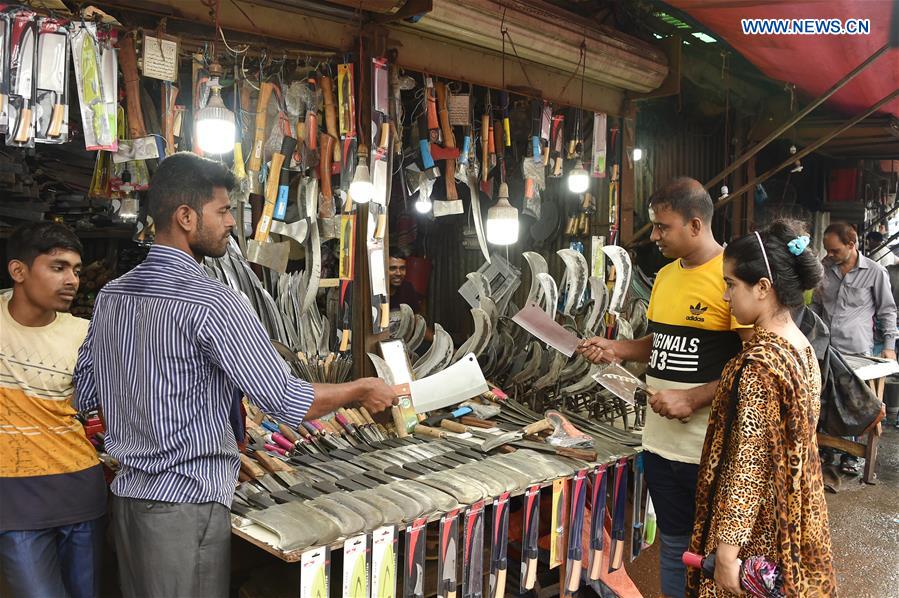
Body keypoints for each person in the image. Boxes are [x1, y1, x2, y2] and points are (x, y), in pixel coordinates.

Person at [73, 153, 397, 598]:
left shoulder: (113, 294)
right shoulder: (213, 301)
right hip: (185, 504)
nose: (231, 222)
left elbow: (85, 392)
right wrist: (360, 388)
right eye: (223, 211)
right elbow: (287, 401)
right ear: (186, 217)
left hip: (128, 500)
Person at [578, 177, 751, 598]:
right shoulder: (666, 276)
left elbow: (752, 365)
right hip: (659, 445)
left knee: (717, 556)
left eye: (662, 226)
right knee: (674, 548)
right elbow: (660, 341)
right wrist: (617, 349)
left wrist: (693, 397)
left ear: (695, 225)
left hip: (707, 450)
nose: (654, 236)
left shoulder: (732, 280)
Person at [687, 220, 837, 597]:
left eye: (731, 284)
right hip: (795, 514)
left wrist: (726, 555)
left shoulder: (760, 365)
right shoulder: (801, 346)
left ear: (763, 287)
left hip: (758, 532)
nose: (725, 297)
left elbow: (749, 466)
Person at [0, 222, 106, 598]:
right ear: (19, 271)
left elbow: (100, 408)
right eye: (58, 267)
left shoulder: (85, 334)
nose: (72, 280)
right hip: (13, 498)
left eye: (76, 270)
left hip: (79, 491)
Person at [813, 222, 897, 359]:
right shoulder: (824, 268)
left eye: (835, 250)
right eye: (827, 250)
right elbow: (816, 305)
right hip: (824, 349)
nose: (829, 254)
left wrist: (889, 347)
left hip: (857, 351)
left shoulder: (875, 272)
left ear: (851, 245)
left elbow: (887, 311)